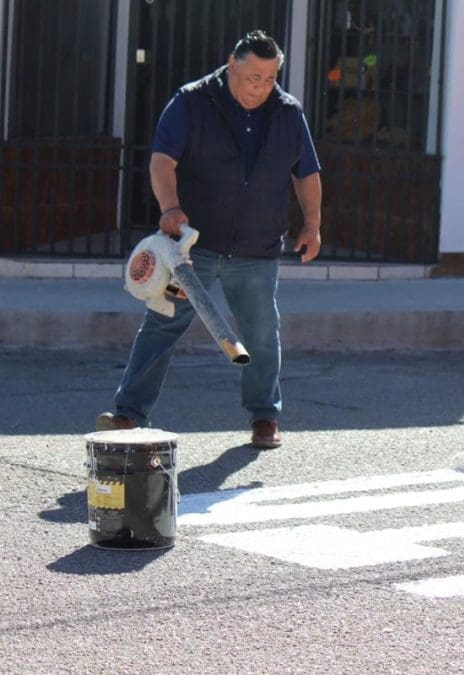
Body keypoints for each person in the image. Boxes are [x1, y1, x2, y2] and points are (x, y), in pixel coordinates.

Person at [96, 30, 323, 449]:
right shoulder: (192, 101)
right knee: (162, 325)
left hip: (256, 249)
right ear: (231, 63)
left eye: (270, 78)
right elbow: (163, 160)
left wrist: (312, 224)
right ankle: (129, 413)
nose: (261, 86)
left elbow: (306, 172)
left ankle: (264, 417)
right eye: (253, 76)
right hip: (191, 250)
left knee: (260, 333)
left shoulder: (288, 112)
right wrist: (169, 207)